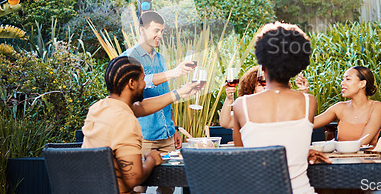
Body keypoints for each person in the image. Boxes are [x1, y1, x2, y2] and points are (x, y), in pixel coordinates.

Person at [81, 56, 201, 194]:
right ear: (132, 83)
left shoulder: (99, 108)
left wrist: (180, 93)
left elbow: (141, 107)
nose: (145, 84)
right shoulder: (126, 119)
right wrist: (151, 159)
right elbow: (134, 178)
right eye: (143, 79)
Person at [233, 22, 322, 194]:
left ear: (262, 65)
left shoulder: (241, 105)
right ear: (296, 67)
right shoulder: (309, 103)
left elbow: (242, 158)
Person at [122, 11, 193, 194]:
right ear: (142, 30)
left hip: (166, 135)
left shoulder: (160, 58)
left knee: (168, 188)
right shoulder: (129, 57)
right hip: (143, 136)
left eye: (161, 31)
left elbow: (165, 96)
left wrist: (174, 128)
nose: (159, 35)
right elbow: (141, 83)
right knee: (138, 188)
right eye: (156, 30)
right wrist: (173, 72)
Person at [313, 66, 381, 146]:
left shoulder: (376, 107)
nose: (342, 83)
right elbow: (309, 123)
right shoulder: (339, 108)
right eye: (343, 79)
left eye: (348, 79)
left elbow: (363, 142)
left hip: (367, 157)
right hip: (341, 157)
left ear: (362, 84)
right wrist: (304, 93)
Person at [219, 67, 310, 129]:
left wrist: (304, 92)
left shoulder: (282, 108)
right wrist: (229, 98)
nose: (265, 87)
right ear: (251, 89)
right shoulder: (248, 110)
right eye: (260, 85)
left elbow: (303, 119)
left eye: (269, 83)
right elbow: (225, 123)